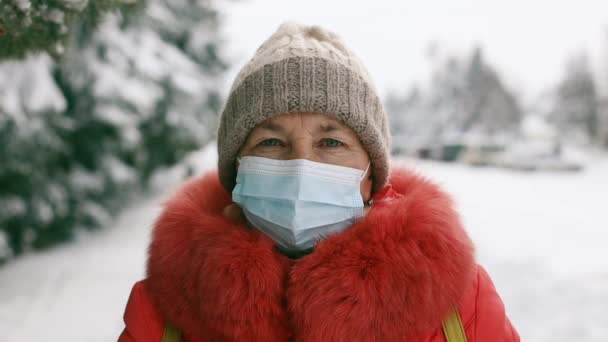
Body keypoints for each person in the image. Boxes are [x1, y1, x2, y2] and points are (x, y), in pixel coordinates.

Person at [118, 22, 519, 341]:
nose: (301, 163)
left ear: (370, 176)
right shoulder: (166, 311)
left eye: (332, 142)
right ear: (236, 169)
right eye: (271, 141)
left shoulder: (459, 307)